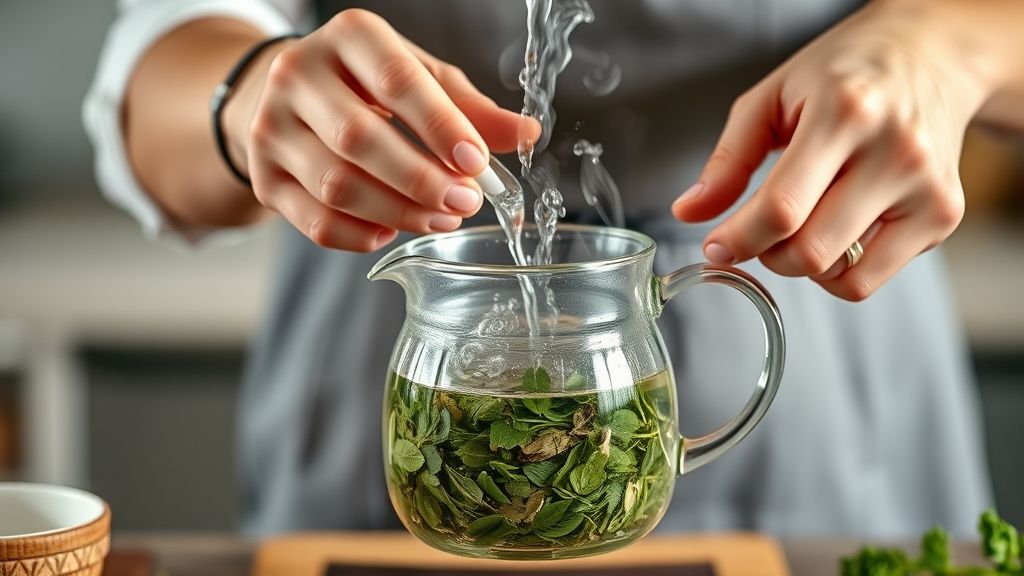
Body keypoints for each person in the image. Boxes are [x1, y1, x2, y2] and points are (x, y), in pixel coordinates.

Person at [84, 0, 1024, 537]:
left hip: (815, 318)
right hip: (396, 294)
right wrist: (248, 95)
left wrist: (942, 48)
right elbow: (157, 65)